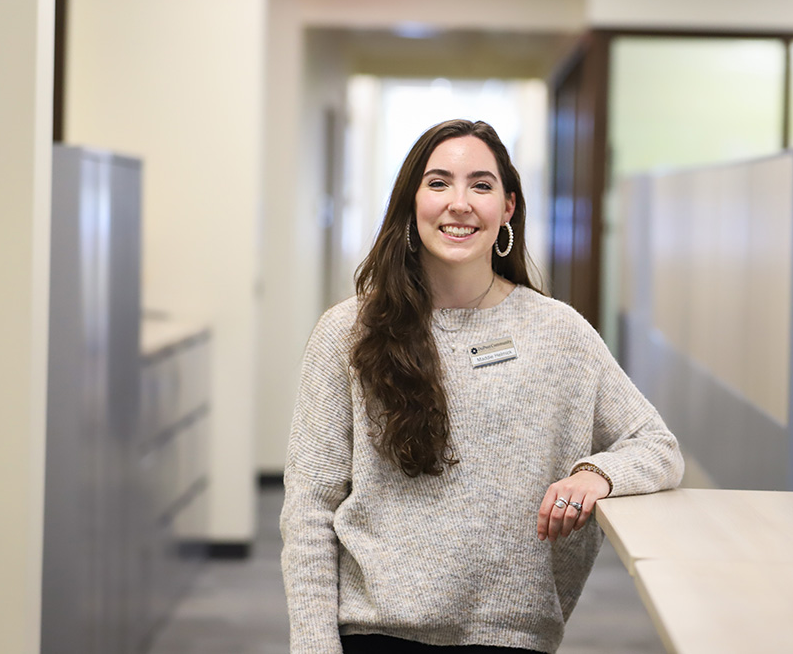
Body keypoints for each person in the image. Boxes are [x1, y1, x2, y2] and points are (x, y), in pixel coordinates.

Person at [280, 119, 683, 654]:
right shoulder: (349, 331)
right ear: (411, 201)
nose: (460, 203)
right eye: (439, 182)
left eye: (482, 185)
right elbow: (309, 508)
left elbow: (657, 446)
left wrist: (595, 473)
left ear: (508, 207)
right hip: (376, 633)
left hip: (511, 638)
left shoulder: (558, 332)